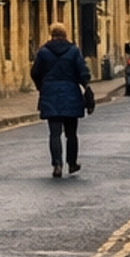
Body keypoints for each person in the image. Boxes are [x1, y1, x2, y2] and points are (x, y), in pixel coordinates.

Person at [31, 22, 90, 177]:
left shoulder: (43, 52)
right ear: (65, 34)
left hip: (50, 95)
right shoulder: (73, 51)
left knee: (54, 133)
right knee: (71, 134)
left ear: (51, 34)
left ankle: (57, 165)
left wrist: (42, 86)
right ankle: (72, 163)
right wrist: (85, 85)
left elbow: (35, 72)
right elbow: (83, 72)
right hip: (71, 94)